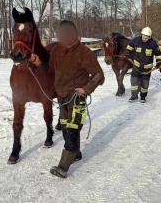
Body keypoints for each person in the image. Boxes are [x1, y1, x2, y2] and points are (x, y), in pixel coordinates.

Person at [30, 20, 105, 178]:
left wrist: (86, 89)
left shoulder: (84, 53)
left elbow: (99, 75)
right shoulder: (57, 50)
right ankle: (75, 153)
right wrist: (38, 63)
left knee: (72, 128)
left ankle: (63, 167)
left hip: (77, 96)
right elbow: (50, 67)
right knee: (65, 126)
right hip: (62, 95)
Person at [125, 27, 161, 103]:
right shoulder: (136, 40)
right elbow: (129, 47)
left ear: (149, 37)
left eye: (146, 38)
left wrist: (158, 62)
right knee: (134, 83)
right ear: (141, 35)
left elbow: (158, 54)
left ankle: (143, 97)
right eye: (143, 37)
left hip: (147, 69)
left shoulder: (153, 43)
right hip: (136, 67)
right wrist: (127, 53)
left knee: (145, 85)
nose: (144, 39)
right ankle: (134, 96)